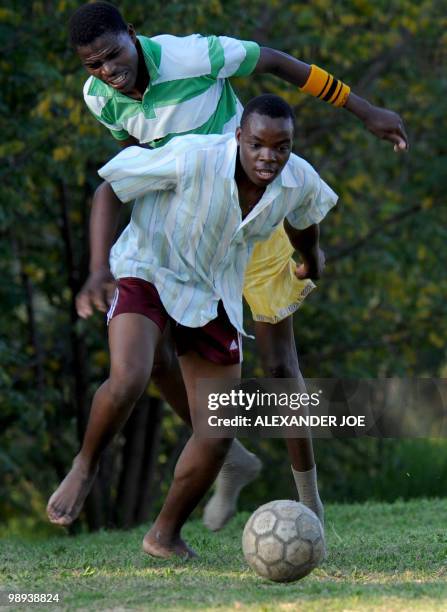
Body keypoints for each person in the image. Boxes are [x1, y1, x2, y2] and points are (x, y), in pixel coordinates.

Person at [47, 1, 408, 530]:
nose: (107, 72)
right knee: (151, 350)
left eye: (113, 56)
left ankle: (309, 503)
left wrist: (364, 108)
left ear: (132, 34)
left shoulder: (194, 56)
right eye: (93, 65)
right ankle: (224, 452)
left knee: (280, 367)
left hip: (252, 220)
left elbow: (280, 63)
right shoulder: (99, 96)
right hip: (185, 224)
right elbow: (133, 156)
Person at [52, 94, 338, 557]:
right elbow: (109, 189)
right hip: (150, 268)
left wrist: (309, 258)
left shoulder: (297, 177)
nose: (269, 156)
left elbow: (304, 220)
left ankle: (164, 536)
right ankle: (85, 465)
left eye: (281, 146)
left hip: (213, 291)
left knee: (219, 431)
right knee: (130, 376)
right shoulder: (195, 158)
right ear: (239, 136)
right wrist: (98, 270)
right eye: (259, 144)